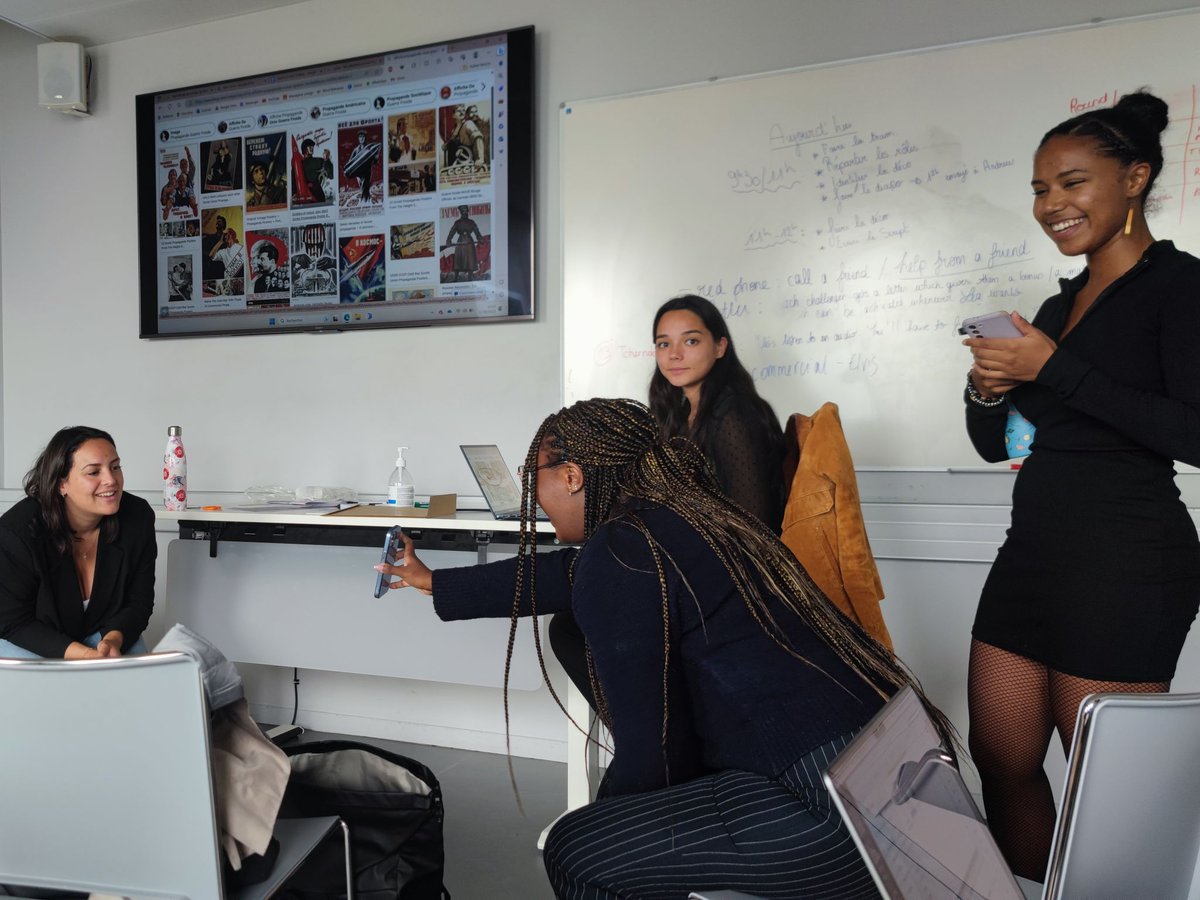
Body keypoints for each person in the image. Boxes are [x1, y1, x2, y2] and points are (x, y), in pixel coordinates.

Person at [377, 398, 951, 899]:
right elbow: (568, 573)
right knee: (568, 631)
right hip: (899, 773)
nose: (535, 495)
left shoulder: (623, 555)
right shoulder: (688, 519)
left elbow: (654, 753)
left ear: (573, 476)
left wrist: (613, 821)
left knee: (579, 851)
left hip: (829, 816)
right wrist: (435, 581)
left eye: (536, 477)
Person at [961, 90, 1200, 879]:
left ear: (1134, 179)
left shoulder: (1181, 288)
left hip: (1128, 562)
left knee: (1106, 790)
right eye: (1038, 189)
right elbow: (1001, 444)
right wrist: (990, 388)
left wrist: (1053, 368)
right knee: (1001, 756)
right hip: (1034, 553)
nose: (1051, 204)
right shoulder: (1055, 307)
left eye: (1070, 182)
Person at [0, 427, 156, 659]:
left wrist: (113, 639)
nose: (111, 480)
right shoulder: (16, 532)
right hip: (33, 638)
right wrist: (82, 655)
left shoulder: (137, 516)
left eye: (115, 467)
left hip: (101, 634)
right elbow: (12, 621)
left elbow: (138, 602)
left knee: (138, 683)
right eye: (94, 472)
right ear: (61, 483)